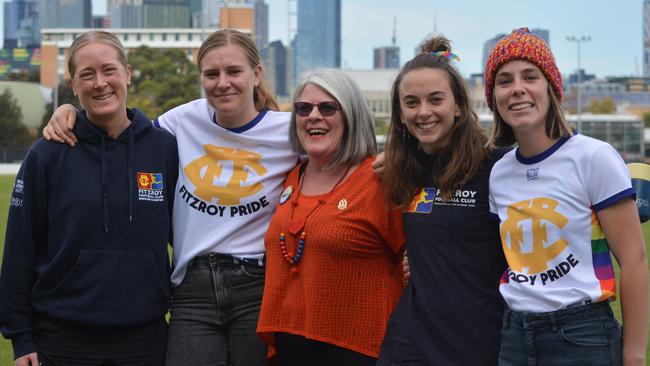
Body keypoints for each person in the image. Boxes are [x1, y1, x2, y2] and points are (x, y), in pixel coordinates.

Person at [43, 29, 299, 366]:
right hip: (192, 289)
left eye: (234, 71)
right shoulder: (182, 120)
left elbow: (341, 152)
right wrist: (70, 110)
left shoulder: (290, 133)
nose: (223, 83)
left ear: (257, 74)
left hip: (257, 287)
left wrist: (386, 163)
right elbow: (123, 131)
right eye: (211, 74)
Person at [0, 30, 178, 366]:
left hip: (145, 339)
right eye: (87, 74)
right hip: (62, 339)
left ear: (127, 72)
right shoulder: (47, 155)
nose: (100, 83)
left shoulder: (164, 149)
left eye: (109, 70)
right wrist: (20, 337)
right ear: (73, 82)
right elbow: (19, 250)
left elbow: (184, 238)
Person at [484, 28, 648, 366]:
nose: (517, 89)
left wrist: (633, 355)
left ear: (551, 87)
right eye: (504, 80)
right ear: (494, 97)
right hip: (514, 335)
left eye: (530, 76)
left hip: (582, 337)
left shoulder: (593, 157)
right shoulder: (498, 173)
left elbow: (633, 262)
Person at [256, 69, 405, 366]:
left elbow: (418, 257)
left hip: (359, 352)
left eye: (327, 108)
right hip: (290, 350)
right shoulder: (289, 179)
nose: (313, 116)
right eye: (303, 108)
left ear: (351, 116)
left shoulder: (380, 181)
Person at [377, 36, 508, 366]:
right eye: (411, 102)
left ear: (459, 105)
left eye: (436, 99)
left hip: (479, 344)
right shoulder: (400, 170)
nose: (424, 112)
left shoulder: (497, 167)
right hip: (407, 347)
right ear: (400, 112)